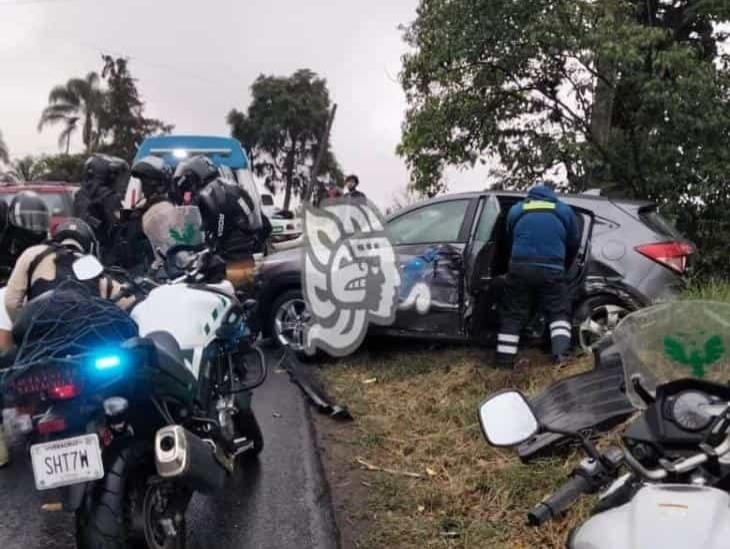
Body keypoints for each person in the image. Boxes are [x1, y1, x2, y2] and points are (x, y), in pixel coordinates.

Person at [496, 183, 580, 368]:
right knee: (558, 311)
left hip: (520, 268)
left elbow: (509, 237)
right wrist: (563, 266)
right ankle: (561, 358)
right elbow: (573, 242)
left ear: (530, 196)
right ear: (552, 195)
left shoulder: (517, 210)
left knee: (513, 313)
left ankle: (504, 362)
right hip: (551, 268)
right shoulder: (563, 210)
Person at [4, 218, 127, 321]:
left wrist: (26, 329)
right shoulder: (93, 267)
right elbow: (127, 302)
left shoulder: (33, 254)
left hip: (40, 339)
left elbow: (11, 303)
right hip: (85, 340)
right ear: (91, 247)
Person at [172, 156, 266, 289]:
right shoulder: (230, 185)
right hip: (247, 255)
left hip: (229, 262)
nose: (187, 194)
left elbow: (209, 229)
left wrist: (211, 247)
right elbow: (262, 224)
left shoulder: (207, 194)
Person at [73, 154, 129, 265]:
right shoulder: (109, 197)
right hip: (104, 256)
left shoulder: (80, 194)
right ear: (105, 175)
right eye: (113, 175)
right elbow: (120, 225)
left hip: (81, 252)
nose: (116, 180)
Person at [0, 193, 51, 282]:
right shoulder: (6, 244)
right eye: (29, 219)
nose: (34, 226)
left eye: (38, 221)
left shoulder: (48, 247)